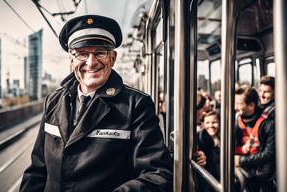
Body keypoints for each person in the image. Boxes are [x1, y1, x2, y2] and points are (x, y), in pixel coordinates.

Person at [20, 15, 173, 192]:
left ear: (113, 58)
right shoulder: (53, 100)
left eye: (100, 52)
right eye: (82, 53)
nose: (91, 62)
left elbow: (158, 174)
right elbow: (37, 170)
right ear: (71, 60)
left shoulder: (137, 105)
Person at [234, 86, 276, 192]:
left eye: (239, 104)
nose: (235, 107)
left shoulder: (268, 123)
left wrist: (242, 160)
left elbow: (269, 154)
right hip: (242, 172)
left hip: (262, 177)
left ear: (251, 105)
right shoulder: (235, 121)